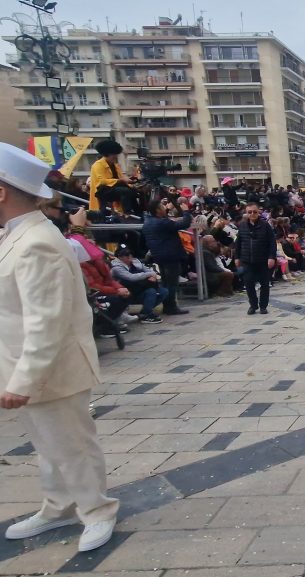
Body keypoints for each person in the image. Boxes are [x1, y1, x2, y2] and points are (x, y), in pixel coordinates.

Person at [0, 143, 119, 552]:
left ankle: (97, 510)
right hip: (24, 366)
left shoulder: (36, 242)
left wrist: (23, 379)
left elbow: (45, 321)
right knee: (48, 446)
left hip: (51, 368)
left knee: (71, 445)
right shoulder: (16, 236)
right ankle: (58, 506)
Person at [141, 198, 192, 315]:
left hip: (158, 255)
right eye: (162, 207)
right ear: (157, 210)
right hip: (170, 255)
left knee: (165, 282)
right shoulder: (162, 222)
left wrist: (167, 210)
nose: (165, 208)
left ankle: (167, 305)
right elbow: (184, 223)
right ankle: (171, 307)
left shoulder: (148, 222)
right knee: (171, 283)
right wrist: (186, 211)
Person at [233, 201, 277, 315]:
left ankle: (263, 306)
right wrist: (237, 257)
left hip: (262, 260)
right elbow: (238, 243)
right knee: (248, 283)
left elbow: (272, 242)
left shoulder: (265, 225)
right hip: (247, 260)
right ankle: (253, 305)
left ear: (259, 212)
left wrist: (271, 257)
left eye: (254, 212)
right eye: (249, 212)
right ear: (246, 213)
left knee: (264, 284)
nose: (252, 214)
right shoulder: (242, 226)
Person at [110, 246, 166, 323]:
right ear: (120, 257)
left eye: (130, 255)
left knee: (163, 291)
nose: (130, 257)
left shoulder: (136, 262)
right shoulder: (116, 268)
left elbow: (150, 271)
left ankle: (145, 311)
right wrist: (147, 275)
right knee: (151, 291)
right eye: (126, 255)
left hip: (141, 287)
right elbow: (131, 277)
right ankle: (145, 315)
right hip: (129, 291)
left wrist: (152, 276)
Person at [89, 140, 137, 216]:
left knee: (134, 191)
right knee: (124, 191)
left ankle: (137, 213)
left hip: (114, 189)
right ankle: (127, 213)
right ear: (107, 154)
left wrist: (131, 182)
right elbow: (102, 181)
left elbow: (122, 178)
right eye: (113, 154)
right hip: (102, 191)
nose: (115, 156)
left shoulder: (116, 166)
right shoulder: (97, 165)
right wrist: (121, 180)